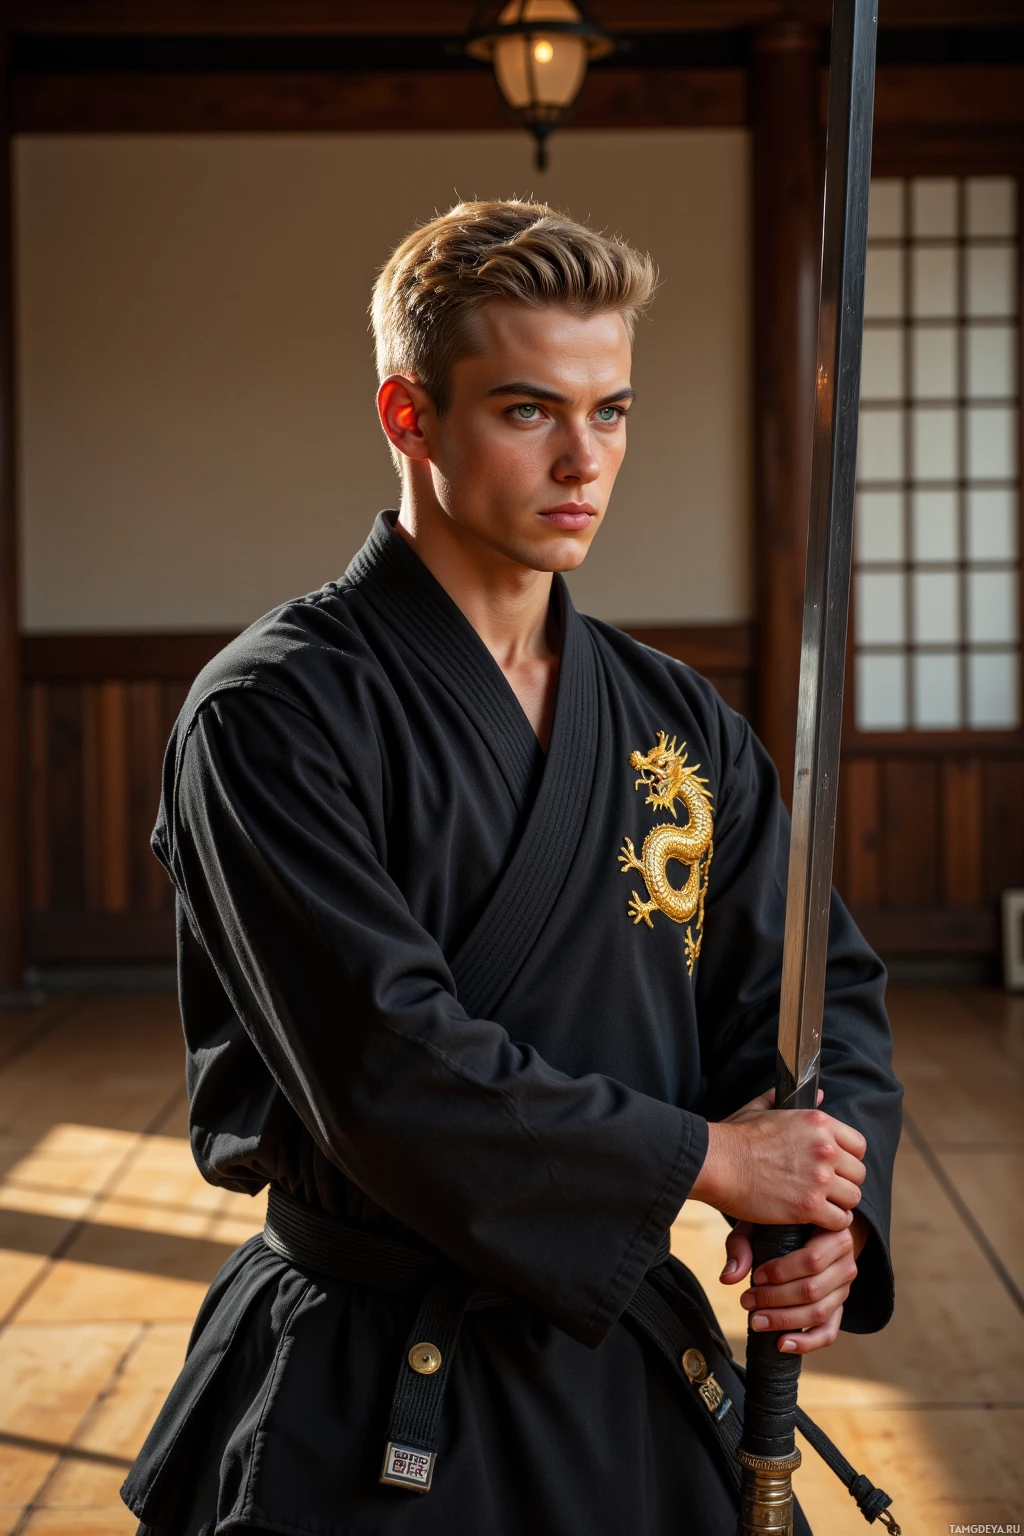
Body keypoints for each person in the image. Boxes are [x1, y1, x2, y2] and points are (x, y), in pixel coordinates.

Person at [123, 199, 902, 1536]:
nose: (583, 462)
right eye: (528, 410)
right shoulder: (269, 715)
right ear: (408, 415)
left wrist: (829, 1205)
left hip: (624, 1375)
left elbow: (812, 993)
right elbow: (388, 1068)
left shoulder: (675, 719)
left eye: (611, 413)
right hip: (367, 1382)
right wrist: (708, 1162)